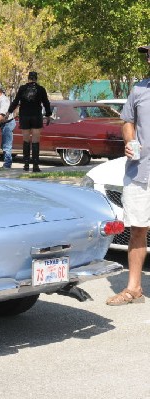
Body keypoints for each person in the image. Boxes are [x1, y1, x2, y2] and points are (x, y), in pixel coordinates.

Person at [106, 44, 150, 306]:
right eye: (148, 54)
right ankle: (134, 289)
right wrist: (129, 140)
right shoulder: (139, 90)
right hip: (140, 172)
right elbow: (127, 121)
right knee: (137, 229)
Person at [7, 71, 52, 172]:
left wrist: (9, 112)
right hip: (36, 116)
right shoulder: (41, 89)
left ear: (28, 78)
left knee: (26, 140)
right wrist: (48, 114)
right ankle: (35, 165)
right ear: (36, 78)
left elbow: (16, 101)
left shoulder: (22, 88)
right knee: (36, 140)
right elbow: (46, 103)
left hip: (25, 116)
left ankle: (26, 164)